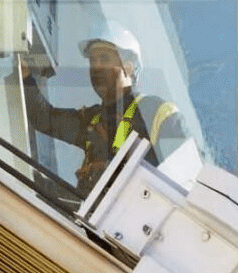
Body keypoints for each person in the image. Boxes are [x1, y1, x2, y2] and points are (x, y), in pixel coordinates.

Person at [22, 21, 187, 196]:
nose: (96, 67)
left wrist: (114, 169)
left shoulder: (155, 111)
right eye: (93, 61)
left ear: (128, 67)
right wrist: (25, 77)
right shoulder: (93, 119)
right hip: (88, 218)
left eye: (105, 59)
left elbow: (182, 177)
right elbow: (44, 118)